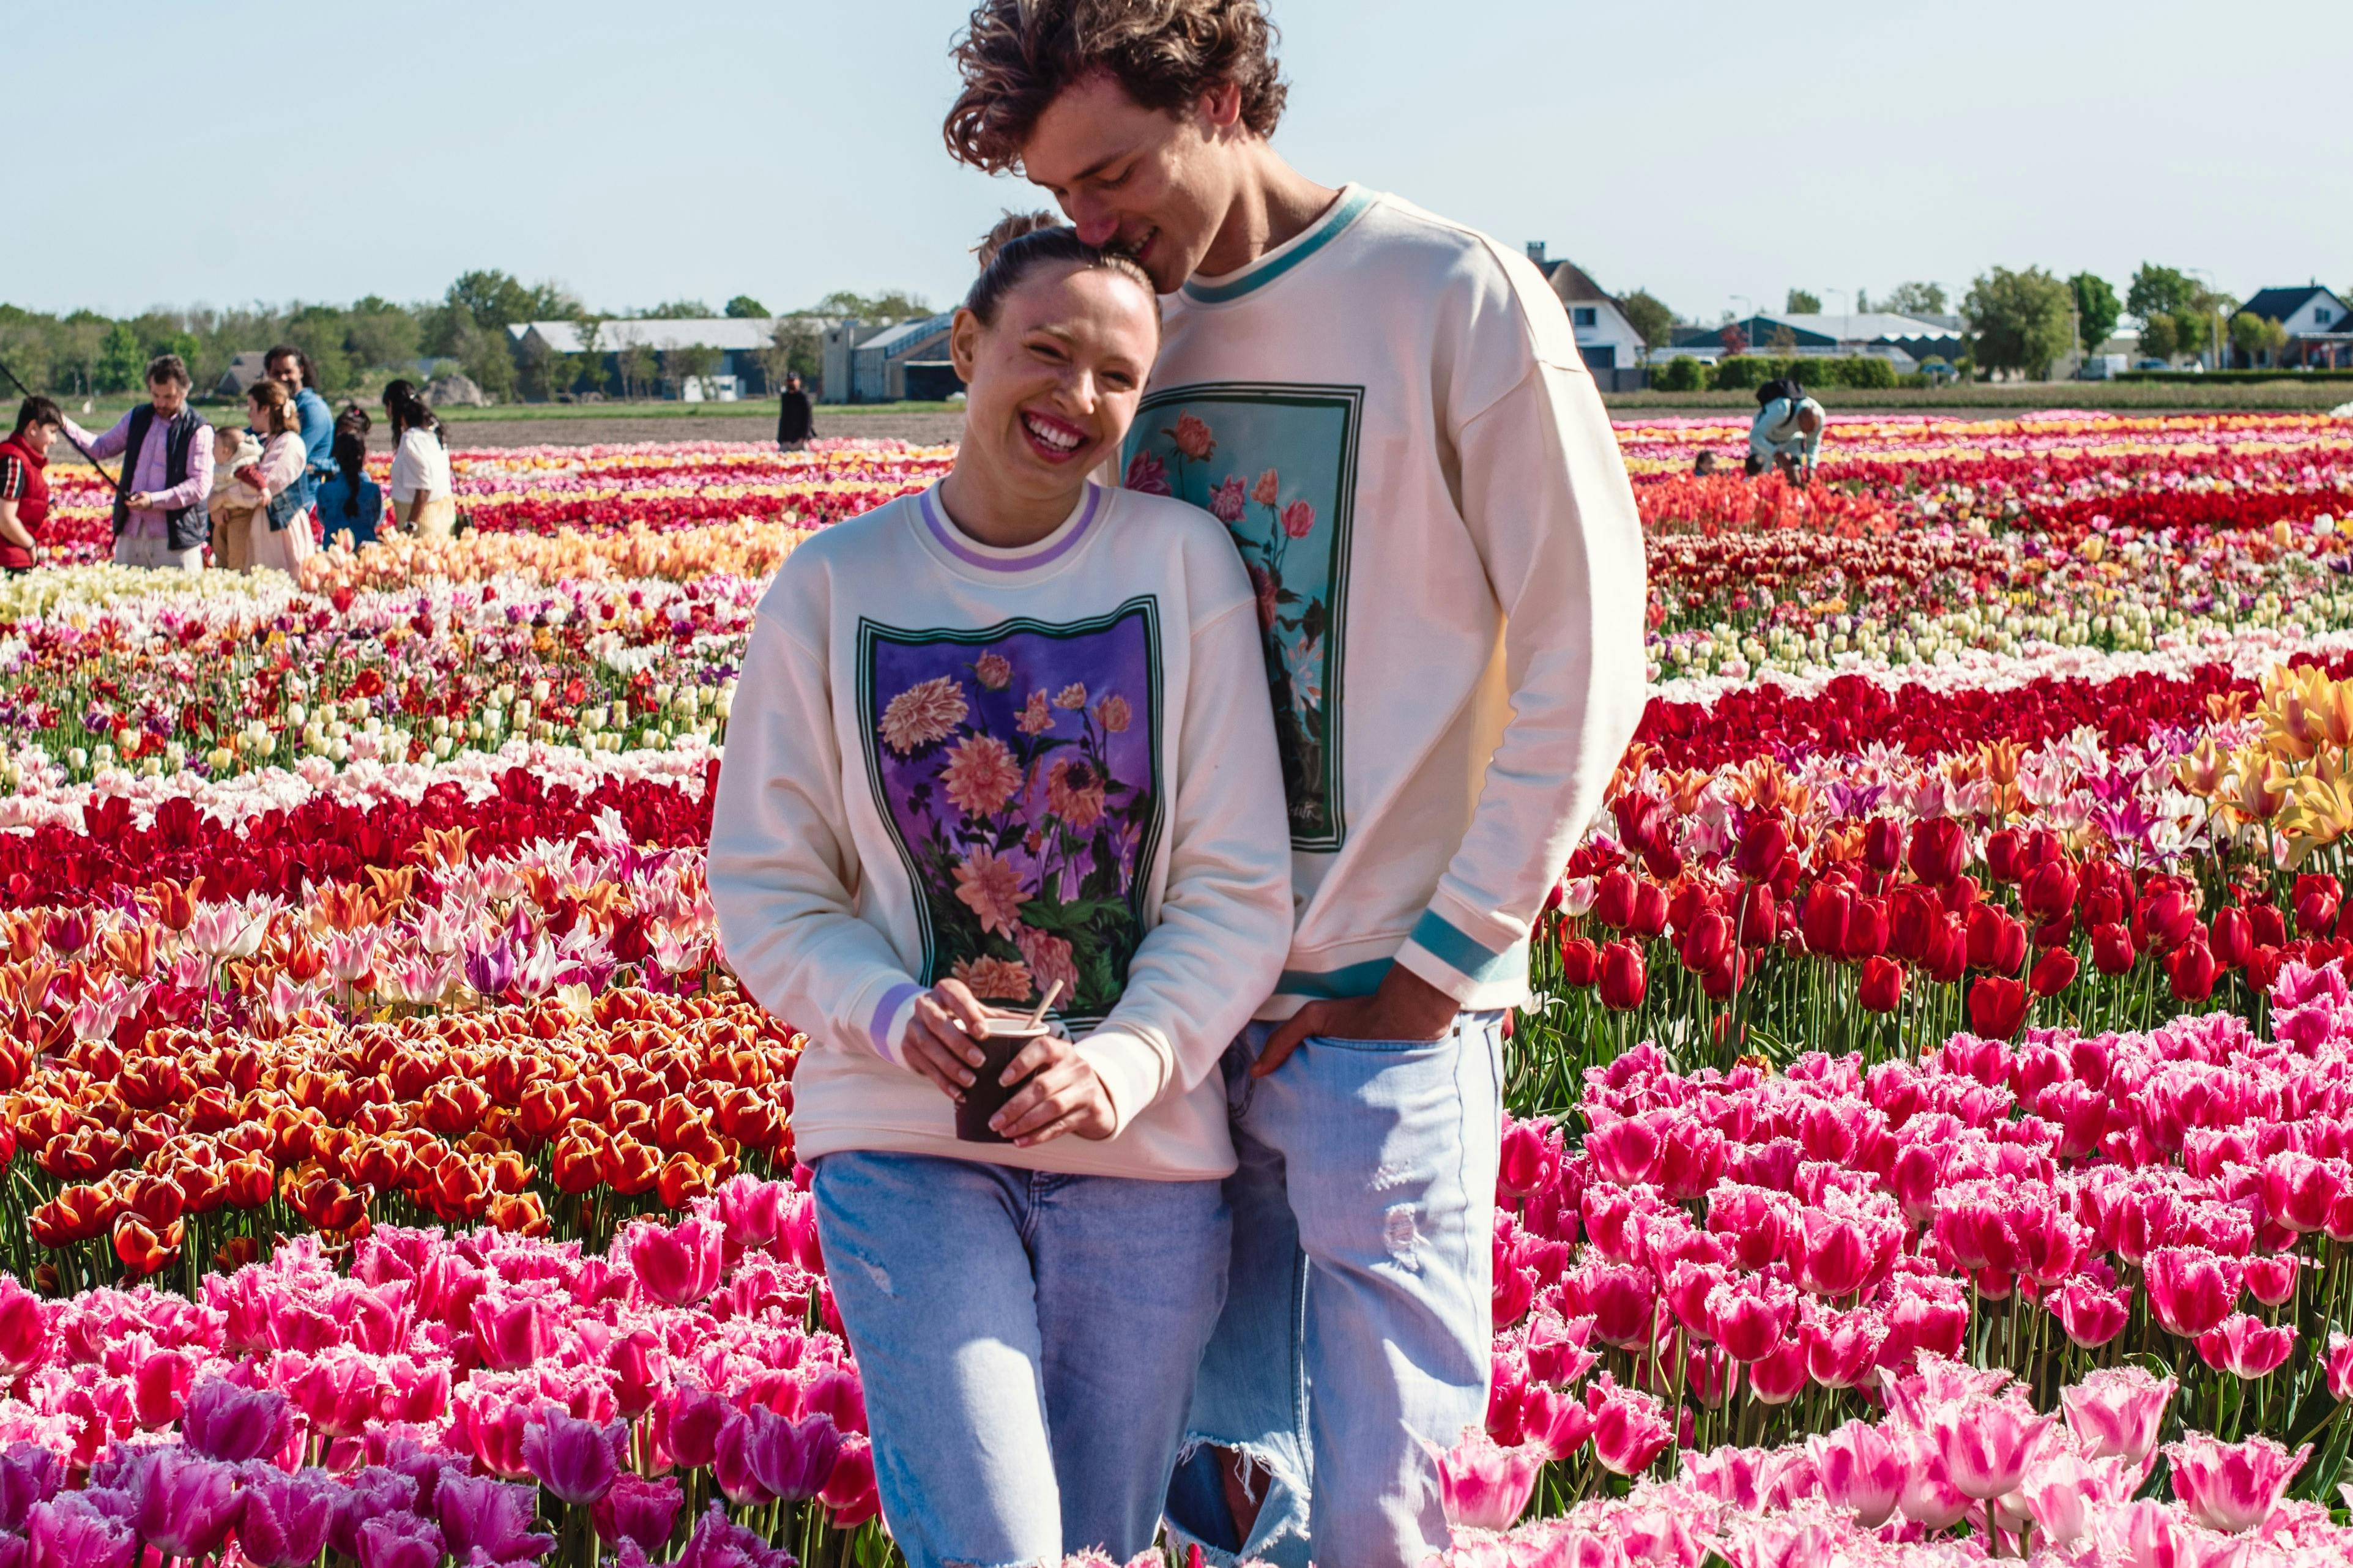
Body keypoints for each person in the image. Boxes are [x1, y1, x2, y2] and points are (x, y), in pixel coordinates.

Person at [944, 6, 1650, 1565]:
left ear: (1218, 97)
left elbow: (1587, 650)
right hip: (1169, 1026)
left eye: (1114, 172)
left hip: (1372, 1012)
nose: (1093, 224)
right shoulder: (1133, 334)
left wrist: (1438, 965)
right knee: (1201, 1498)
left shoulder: (1444, 294)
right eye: (1065, 196)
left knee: (1392, 1504)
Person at [708, 217, 1292, 1568]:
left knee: (1097, 1543)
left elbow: (1235, 883)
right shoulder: (833, 587)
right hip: (904, 1142)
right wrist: (886, 1006)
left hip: (1140, 1151)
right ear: (966, 346)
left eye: (1118, 375)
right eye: (1046, 352)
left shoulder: (1177, 566)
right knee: (1000, 1549)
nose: (1077, 399)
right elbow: (769, 885)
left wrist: (1134, 1058)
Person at [64, 354, 211, 571]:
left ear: (183, 391)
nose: (160, 403)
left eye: (168, 397)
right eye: (155, 395)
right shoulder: (138, 417)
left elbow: (199, 486)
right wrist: (63, 423)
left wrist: (154, 500)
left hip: (174, 538)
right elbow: (100, 448)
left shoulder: (198, 429)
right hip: (132, 531)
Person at [240, 381, 316, 576]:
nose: (249, 415)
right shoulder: (269, 441)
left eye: (251, 408)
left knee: (282, 581)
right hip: (266, 525)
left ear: (265, 409)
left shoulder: (290, 442)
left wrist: (224, 496)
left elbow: (263, 484)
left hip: (282, 526)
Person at [383, 380, 455, 540]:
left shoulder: (412, 440)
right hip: (443, 517)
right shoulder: (433, 431)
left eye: (386, 407)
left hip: (423, 525)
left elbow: (424, 489)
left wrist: (410, 527)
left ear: (391, 405)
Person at [0, 396, 64, 573]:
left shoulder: (25, 462)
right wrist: (29, 545)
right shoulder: (15, 461)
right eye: (52, 431)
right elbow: (5, 519)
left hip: (13, 555)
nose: (54, 440)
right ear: (33, 428)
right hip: (9, 560)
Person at [265, 345, 336, 485]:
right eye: (277, 373)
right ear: (268, 374)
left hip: (303, 498)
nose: (283, 378)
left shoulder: (312, 409)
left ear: (301, 371)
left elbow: (294, 459)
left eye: (288, 372)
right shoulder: (274, 406)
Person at [315, 424, 382, 549]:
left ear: (336, 457)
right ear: (363, 456)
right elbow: (377, 520)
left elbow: (323, 520)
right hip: (366, 553)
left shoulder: (324, 490)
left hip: (334, 553)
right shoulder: (372, 490)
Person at [208, 426, 265, 572]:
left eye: (215, 446)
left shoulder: (240, 466)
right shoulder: (221, 467)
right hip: (223, 512)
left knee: (236, 550)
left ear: (225, 450)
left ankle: (234, 577)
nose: (211, 450)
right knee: (219, 546)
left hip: (240, 513)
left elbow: (255, 477)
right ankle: (220, 573)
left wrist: (264, 490)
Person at [1745, 377, 1824, 482]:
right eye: (1804, 430)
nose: (1807, 434)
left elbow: (1813, 442)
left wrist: (1811, 468)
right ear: (1799, 419)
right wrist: (1778, 454)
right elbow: (1755, 436)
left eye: (1810, 431)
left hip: (1791, 439)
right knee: (1762, 478)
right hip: (1766, 438)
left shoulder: (1818, 416)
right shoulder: (1782, 410)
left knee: (1794, 476)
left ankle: (1791, 496)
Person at [776, 371, 815, 450]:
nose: (791, 383)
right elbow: (784, 417)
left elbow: (808, 419)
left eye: (793, 380)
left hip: (801, 438)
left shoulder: (803, 397)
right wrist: (781, 438)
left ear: (798, 381)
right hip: (787, 439)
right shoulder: (785, 397)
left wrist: (804, 437)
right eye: (789, 381)